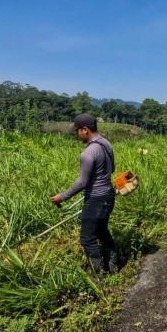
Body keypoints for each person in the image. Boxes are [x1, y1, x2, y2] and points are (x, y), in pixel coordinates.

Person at [51, 114, 117, 274]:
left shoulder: (88, 153)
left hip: (96, 200)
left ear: (85, 130)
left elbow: (82, 182)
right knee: (101, 230)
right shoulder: (106, 144)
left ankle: (99, 273)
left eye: (77, 131)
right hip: (109, 195)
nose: (77, 134)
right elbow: (112, 169)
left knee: (87, 239)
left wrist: (62, 196)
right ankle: (114, 263)